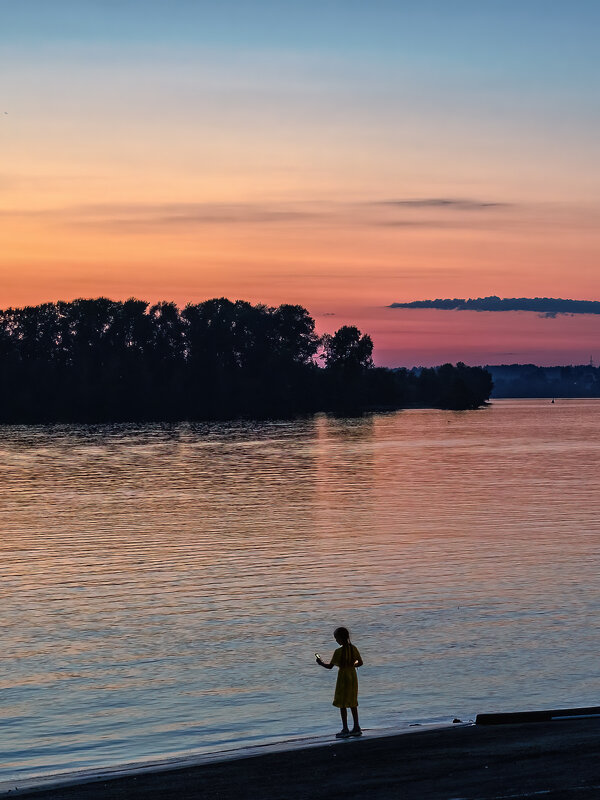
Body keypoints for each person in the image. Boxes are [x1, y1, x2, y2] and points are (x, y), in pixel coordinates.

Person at [316, 626, 363, 738]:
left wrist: (320, 663)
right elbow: (360, 662)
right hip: (352, 676)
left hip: (343, 677)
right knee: (352, 702)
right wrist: (352, 665)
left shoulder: (338, 652)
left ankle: (345, 729)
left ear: (341, 638)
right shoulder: (353, 648)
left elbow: (330, 666)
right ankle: (356, 727)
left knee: (342, 703)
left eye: (336, 638)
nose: (336, 640)